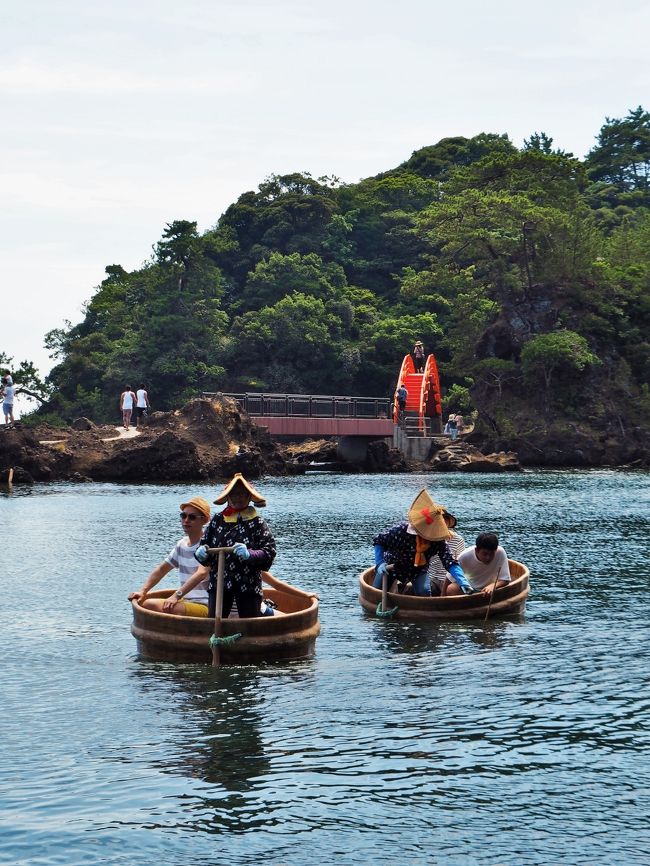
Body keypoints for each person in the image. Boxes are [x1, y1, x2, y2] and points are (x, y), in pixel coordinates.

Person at [164, 473, 276, 618]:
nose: (238, 498)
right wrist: (202, 553)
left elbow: (269, 551)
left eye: (242, 494)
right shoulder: (218, 520)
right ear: (228, 497)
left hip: (248, 584)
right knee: (215, 623)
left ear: (249, 497)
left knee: (249, 625)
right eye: (234, 494)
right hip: (219, 584)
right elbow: (205, 547)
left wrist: (250, 554)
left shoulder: (257, 522)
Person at [372, 489, 474, 596]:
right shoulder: (401, 530)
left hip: (418, 570)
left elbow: (449, 561)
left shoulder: (437, 540)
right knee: (376, 593)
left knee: (424, 592)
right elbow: (379, 540)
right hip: (391, 566)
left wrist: (462, 581)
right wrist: (380, 562)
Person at [128, 497, 212, 615]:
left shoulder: (208, 546)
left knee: (149, 605)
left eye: (192, 517)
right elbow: (162, 569)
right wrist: (143, 591)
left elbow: (201, 573)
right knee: (143, 601)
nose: (186, 520)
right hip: (186, 600)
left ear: (205, 520)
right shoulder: (181, 545)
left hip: (205, 605)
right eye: (183, 516)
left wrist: (175, 596)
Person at [445, 531, 511, 597]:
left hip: (490, 589)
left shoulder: (500, 552)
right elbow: (449, 578)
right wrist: (442, 598)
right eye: (484, 554)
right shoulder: (465, 556)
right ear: (477, 550)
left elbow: (505, 580)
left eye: (491, 554)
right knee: (451, 589)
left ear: (496, 550)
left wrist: (493, 586)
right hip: (470, 587)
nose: (488, 558)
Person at [427, 508, 466, 595]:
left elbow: (460, 562)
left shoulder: (458, 539)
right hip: (431, 578)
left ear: (448, 523)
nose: (442, 523)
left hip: (449, 579)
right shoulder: (429, 538)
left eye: (444, 520)